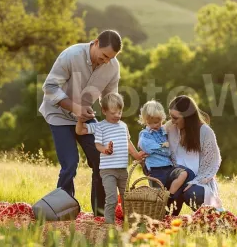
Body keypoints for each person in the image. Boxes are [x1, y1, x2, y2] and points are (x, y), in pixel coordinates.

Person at [39, 30, 122, 217]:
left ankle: (100, 213)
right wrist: (75, 108)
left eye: (111, 58)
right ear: (96, 43)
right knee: (70, 163)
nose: (106, 61)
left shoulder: (112, 66)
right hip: (59, 114)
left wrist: (113, 116)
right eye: (104, 56)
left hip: (84, 115)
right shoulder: (71, 55)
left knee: (101, 159)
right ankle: (60, 212)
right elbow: (50, 88)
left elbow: (109, 97)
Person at [75, 92, 146, 224]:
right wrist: (80, 120)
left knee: (126, 198)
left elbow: (128, 143)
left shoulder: (123, 126)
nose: (117, 116)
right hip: (107, 170)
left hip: (122, 170)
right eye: (113, 113)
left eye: (119, 112)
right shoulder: (100, 126)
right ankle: (109, 223)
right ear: (104, 110)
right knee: (112, 198)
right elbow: (81, 131)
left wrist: (137, 156)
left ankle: (129, 221)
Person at [164, 95, 223, 214]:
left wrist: (195, 181)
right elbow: (153, 138)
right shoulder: (170, 127)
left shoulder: (206, 132)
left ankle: (212, 216)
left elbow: (212, 163)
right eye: (171, 117)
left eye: (175, 118)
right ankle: (167, 217)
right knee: (171, 188)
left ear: (187, 117)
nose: (172, 121)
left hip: (198, 180)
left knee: (193, 193)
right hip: (176, 177)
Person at [136, 100, 195, 213]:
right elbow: (149, 148)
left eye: (159, 121)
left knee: (184, 173)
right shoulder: (145, 134)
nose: (156, 125)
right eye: (152, 122)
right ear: (145, 121)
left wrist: (162, 148)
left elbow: (168, 147)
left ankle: (170, 196)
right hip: (156, 171)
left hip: (168, 167)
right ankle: (159, 214)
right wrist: (165, 148)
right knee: (158, 196)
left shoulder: (164, 130)